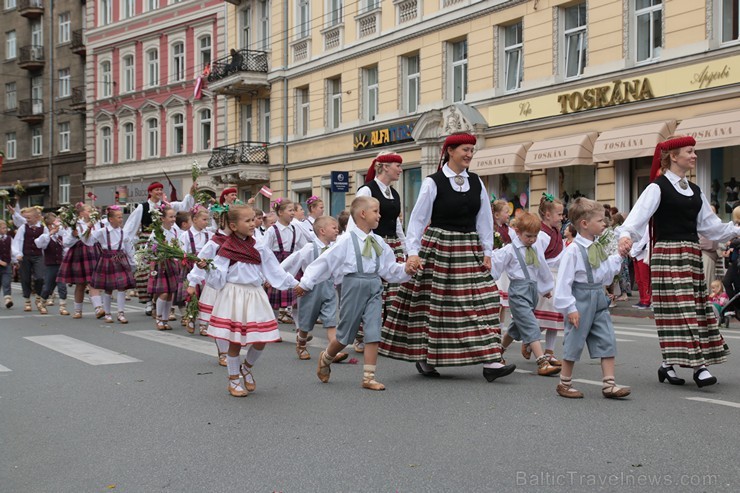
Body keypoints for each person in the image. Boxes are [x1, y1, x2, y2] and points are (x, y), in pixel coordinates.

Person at [380, 132, 516, 382]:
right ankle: (426, 357)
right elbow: (418, 220)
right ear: (450, 151)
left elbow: (484, 219)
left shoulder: (477, 182)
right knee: (435, 305)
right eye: (465, 149)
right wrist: (413, 253)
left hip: (469, 248)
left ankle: (491, 360)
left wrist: (487, 252)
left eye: (471, 151)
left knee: (484, 300)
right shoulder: (434, 182)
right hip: (440, 248)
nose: (469, 155)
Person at [618, 135, 737, 388]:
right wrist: (626, 237)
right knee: (680, 310)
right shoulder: (657, 187)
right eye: (690, 151)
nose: (694, 156)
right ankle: (699, 367)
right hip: (668, 254)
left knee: (691, 310)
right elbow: (636, 220)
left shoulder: (695, 190)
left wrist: (736, 229)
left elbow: (712, 228)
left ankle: (667, 364)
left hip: (691, 254)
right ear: (674, 156)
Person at [297, 197, 414, 391]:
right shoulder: (346, 241)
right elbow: (325, 262)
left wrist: (406, 271)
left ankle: (369, 377)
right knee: (345, 336)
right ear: (363, 214)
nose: (379, 215)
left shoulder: (378, 241)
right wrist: (306, 283)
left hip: (374, 284)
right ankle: (326, 357)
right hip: (353, 285)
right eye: (376, 211)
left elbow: (389, 268)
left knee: (373, 331)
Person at [193, 205, 298, 397]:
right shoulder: (226, 248)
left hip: (255, 294)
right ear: (233, 226)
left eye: (253, 220)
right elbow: (217, 279)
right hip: (234, 295)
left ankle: (247, 367)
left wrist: (295, 283)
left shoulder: (258, 245)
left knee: (260, 340)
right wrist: (207, 268)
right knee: (235, 341)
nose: (252, 224)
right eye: (247, 221)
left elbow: (274, 270)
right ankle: (233, 380)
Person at [555, 198, 631, 399]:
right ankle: (564, 382)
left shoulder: (596, 247)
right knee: (574, 339)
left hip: (598, 295)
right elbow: (563, 282)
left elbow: (605, 273)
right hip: (580, 298)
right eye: (600, 220)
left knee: (607, 337)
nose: (604, 223)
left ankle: (609, 384)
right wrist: (569, 307)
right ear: (585, 224)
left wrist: (620, 256)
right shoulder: (572, 250)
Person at [492, 212, 561, 376]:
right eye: (528, 236)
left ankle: (497, 353)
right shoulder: (510, 250)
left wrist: (546, 289)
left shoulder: (535, 248)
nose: (532, 239)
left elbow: (542, 268)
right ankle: (542, 362)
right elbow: (496, 263)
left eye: (535, 236)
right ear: (517, 232)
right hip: (518, 292)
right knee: (530, 324)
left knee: (516, 328)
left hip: (532, 291)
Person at [281, 216, 347, 362]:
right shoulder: (310, 247)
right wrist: (280, 276)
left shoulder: (334, 248)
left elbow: (339, 268)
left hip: (329, 288)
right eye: (334, 228)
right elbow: (293, 261)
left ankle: (333, 350)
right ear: (322, 231)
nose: (337, 230)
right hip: (310, 289)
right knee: (306, 321)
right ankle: (301, 344)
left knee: (331, 320)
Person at [124, 181, 195, 316]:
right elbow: (131, 226)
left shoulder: (166, 206)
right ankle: (149, 302)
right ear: (150, 192)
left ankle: (161, 306)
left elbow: (183, 206)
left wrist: (190, 193)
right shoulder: (142, 207)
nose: (159, 192)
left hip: (165, 240)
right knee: (146, 274)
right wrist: (128, 244)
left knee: (164, 274)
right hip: (148, 240)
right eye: (156, 189)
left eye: (161, 189)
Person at [524, 194, 566, 367]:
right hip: (546, 277)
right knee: (542, 318)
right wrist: (544, 284)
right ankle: (529, 342)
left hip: (557, 276)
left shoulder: (556, 232)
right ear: (548, 215)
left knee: (554, 319)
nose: (562, 218)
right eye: (559, 214)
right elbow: (539, 260)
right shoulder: (542, 234)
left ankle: (549, 352)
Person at [82, 206, 136, 324]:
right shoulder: (102, 232)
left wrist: (132, 263)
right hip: (107, 259)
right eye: (118, 217)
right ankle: (107, 313)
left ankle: (121, 313)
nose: (121, 219)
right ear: (111, 219)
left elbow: (128, 248)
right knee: (108, 288)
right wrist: (89, 228)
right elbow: (87, 241)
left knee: (122, 288)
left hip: (121, 259)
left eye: (121, 217)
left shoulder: (123, 232)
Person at [57, 203, 104, 318]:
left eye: (92, 210)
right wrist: (74, 235)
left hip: (94, 253)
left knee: (93, 281)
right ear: (81, 213)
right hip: (79, 253)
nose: (91, 213)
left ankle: (98, 308)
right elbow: (66, 242)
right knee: (80, 284)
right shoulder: (74, 224)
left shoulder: (98, 224)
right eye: (89, 210)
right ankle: (78, 310)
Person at [264, 198, 305, 323]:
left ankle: (299, 331)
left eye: (293, 210)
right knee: (274, 301)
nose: (293, 213)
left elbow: (302, 248)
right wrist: (266, 276)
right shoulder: (272, 231)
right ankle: (272, 327)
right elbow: (265, 253)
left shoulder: (295, 229)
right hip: (276, 265)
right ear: (280, 212)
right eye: (290, 210)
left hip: (291, 266)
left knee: (296, 300)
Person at [147, 206, 181, 330]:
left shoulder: (174, 231)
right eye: (170, 217)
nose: (173, 219)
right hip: (160, 263)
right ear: (162, 218)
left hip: (171, 263)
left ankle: (165, 320)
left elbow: (178, 245)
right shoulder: (156, 232)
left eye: (174, 216)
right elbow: (149, 248)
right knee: (164, 292)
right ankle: (159, 318)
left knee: (170, 293)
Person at [11, 207, 47, 313]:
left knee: (40, 277)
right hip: (25, 256)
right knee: (25, 278)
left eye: (29, 217)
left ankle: (38, 298)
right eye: (26, 218)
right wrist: (18, 254)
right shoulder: (23, 227)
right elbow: (17, 241)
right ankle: (27, 300)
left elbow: (46, 242)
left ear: (37, 218)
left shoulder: (43, 228)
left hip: (38, 255)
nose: (27, 220)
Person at [34, 213, 69, 316]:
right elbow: (39, 243)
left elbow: (66, 248)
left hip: (60, 264)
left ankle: (63, 307)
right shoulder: (46, 237)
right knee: (48, 287)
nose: (58, 226)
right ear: (50, 226)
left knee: (62, 285)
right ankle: (42, 303)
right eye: (55, 224)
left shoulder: (61, 237)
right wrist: (50, 233)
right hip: (50, 265)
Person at [0, 220, 13, 309]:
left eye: (6, 228)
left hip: (7, 264)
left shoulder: (9, 238)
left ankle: (8, 299)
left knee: (6, 282)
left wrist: (15, 261)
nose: (6, 229)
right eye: (3, 228)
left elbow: (12, 250)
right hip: (1, 263)